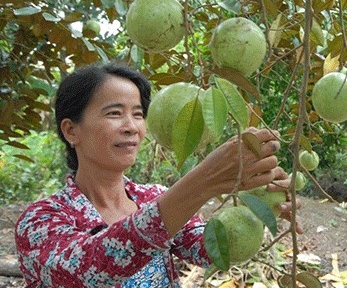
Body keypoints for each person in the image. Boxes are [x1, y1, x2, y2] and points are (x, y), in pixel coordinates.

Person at [14, 62, 300, 287]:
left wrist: (262, 207)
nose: (131, 127)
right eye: (115, 113)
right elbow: (91, 269)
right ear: (71, 130)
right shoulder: (40, 221)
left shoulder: (152, 197)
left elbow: (211, 249)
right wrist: (202, 181)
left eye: (138, 114)